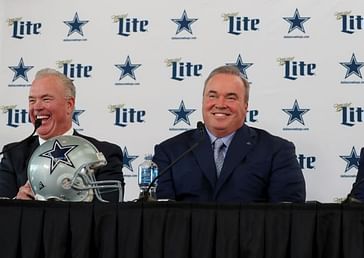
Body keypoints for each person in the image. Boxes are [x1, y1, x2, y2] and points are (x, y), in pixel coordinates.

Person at [153, 65, 306, 202]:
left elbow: (288, 217)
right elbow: (158, 217)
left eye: (231, 97)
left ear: (246, 106)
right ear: (203, 101)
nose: (220, 104)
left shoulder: (277, 151)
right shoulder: (169, 152)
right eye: (212, 96)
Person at [0, 68, 124, 201]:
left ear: (69, 105)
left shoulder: (104, 153)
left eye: (46, 99)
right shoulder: (13, 155)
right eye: (32, 100)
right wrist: (18, 204)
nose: (36, 107)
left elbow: (108, 214)